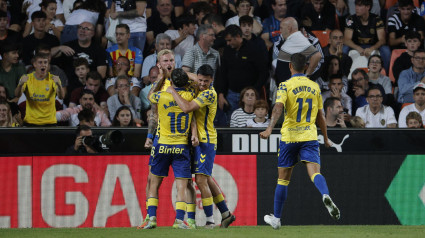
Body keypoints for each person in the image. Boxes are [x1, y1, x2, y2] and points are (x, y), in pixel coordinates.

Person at [260, 53, 340, 229]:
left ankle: (277, 219)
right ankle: (325, 194)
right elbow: (320, 116)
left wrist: (268, 128)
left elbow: (278, 108)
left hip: (289, 137)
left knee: (283, 180)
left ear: (290, 66)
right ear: (306, 67)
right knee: (315, 173)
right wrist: (326, 138)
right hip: (309, 137)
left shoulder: (285, 86)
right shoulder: (314, 87)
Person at [165, 64, 236, 228]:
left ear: (212, 80)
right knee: (207, 178)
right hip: (196, 139)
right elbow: (191, 76)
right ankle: (226, 214)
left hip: (206, 141)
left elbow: (187, 108)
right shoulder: (198, 84)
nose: (202, 83)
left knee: (200, 180)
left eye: (206, 81)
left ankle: (210, 221)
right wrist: (180, 72)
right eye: (201, 80)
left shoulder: (210, 94)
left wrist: (172, 91)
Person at [144, 68, 195, 229]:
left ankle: (151, 218)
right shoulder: (189, 96)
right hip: (181, 146)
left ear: (171, 82)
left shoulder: (162, 96)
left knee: (153, 183)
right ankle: (179, 220)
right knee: (182, 185)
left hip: (163, 145)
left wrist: (161, 78)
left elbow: (149, 95)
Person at [216, 25, 268, 122]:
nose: (227, 43)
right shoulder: (227, 51)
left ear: (238, 37)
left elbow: (264, 73)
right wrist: (221, 94)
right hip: (231, 95)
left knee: (251, 123)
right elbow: (222, 73)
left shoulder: (253, 49)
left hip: (250, 96)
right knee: (231, 123)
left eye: (230, 40)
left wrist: (254, 91)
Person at [14, 52, 65, 126]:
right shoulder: (27, 78)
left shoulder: (53, 79)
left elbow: (61, 97)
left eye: (45, 62)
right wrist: (20, 84)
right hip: (31, 121)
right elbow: (17, 94)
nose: (43, 65)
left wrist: (59, 85)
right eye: (40, 62)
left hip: (49, 121)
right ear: (34, 64)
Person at [343, 0, 390, 73]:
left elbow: (382, 40)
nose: (356, 8)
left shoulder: (377, 19)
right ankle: (343, 74)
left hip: (372, 45)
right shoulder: (351, 19)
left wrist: (372, 48)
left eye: (360, 6)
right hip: (356, 45)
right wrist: (358, 48)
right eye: (356, 5)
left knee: (386, 50)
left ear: (368, 7)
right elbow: (346, 39)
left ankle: (385, 74)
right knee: (344, 49)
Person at [274, 17, 322, 85]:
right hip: (286, 85)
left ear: (289, 28)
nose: (280, 31)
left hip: (292, 86)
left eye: (281, 28)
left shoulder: (297, 38)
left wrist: (306, 76)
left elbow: (317, 55)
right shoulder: (293, 39)